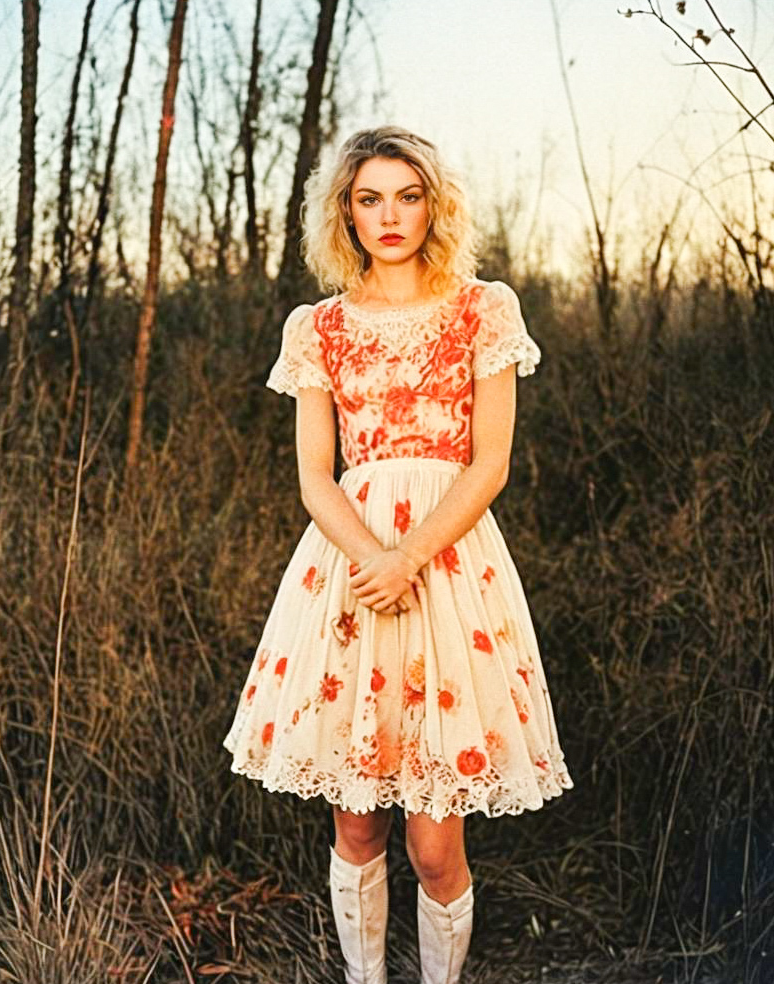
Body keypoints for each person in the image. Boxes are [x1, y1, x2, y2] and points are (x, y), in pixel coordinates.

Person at [223, 126, 573, 984]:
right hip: (346, 568)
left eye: (408, 196)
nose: (390, 216)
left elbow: (490, 462)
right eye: (370, 198)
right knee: (356, 823)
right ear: (345, 210)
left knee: (434, 838)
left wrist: (409, 556)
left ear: (433, 204)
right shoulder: (320, 327)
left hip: (449, 566)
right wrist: (371, 558)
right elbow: (314, 475)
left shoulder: (482, 309)